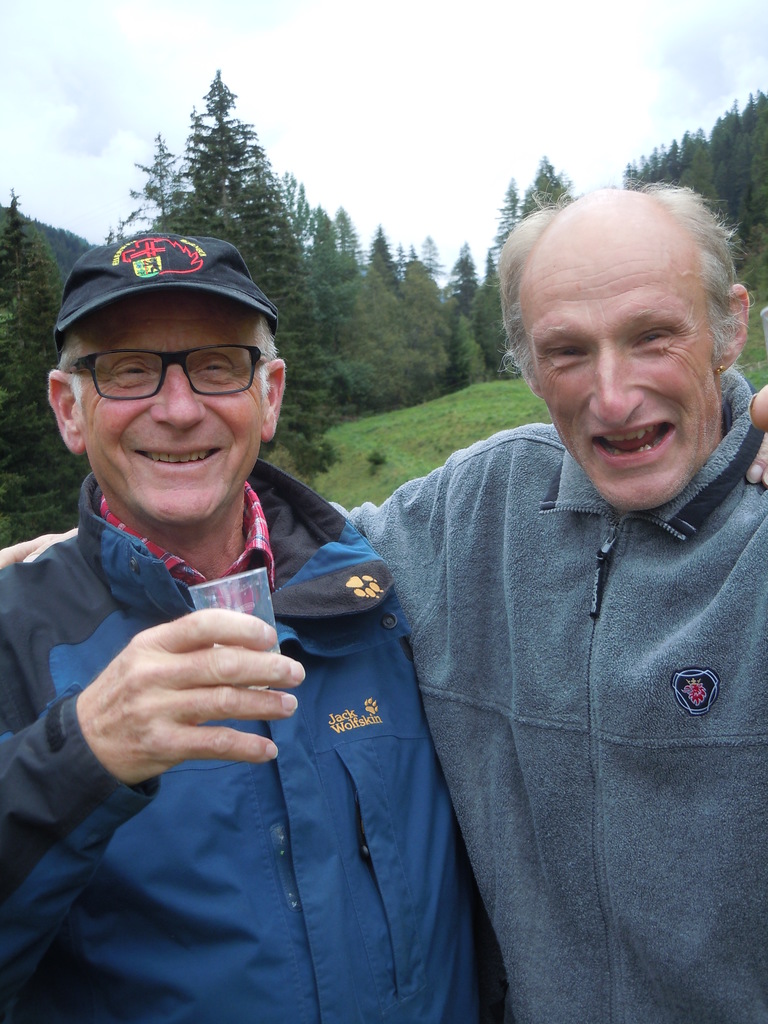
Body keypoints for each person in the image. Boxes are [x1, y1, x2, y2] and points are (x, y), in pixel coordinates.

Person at [0, 234, 481, 1023]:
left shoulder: (388, 588)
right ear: (68, 409)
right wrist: (77, 756)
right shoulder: (12, 635)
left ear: (270, 395)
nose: (179, 408)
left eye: (218, 365)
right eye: (127, 370)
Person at [350, 184, 768, 1022]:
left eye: (652, 336)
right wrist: (91, 553)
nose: (612, 397)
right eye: (568, 351)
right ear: (529, 367)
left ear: (729, 328)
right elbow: (285, 553)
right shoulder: (477, 508)